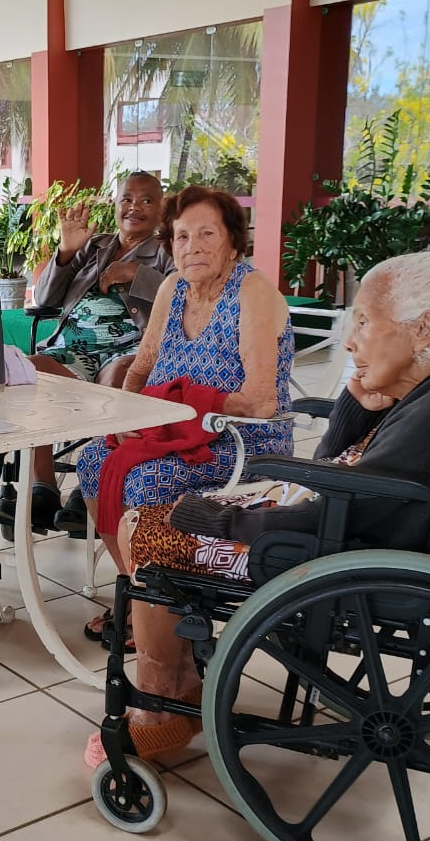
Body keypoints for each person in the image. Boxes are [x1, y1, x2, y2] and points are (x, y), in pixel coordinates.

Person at [84, 244, 430, 767]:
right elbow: (342, 468)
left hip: (320, 550)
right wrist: (357, 406)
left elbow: (345, 498)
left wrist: (214, 517)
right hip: (340, 529)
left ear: (423, 329)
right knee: (160, 511)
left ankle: (166, 696)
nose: (350, 340)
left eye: (363, 321)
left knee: (144, 525)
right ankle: (179, 678)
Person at [74, 185, 295, 644]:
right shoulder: (173, 288)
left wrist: (184, 403)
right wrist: (128, 417)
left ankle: (161, 611)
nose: (192, 246)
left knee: (145, 480)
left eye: (206, 234)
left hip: (243, 441)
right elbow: (140, 367)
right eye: (181, 237)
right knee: (93, 461)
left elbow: (260, 401)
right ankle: (146, 596)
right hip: (177, 432)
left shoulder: (252, 291)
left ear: (233, 240)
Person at [5, 171, 176, 531]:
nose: (135, 207)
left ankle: (91, 484)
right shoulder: (95, 245)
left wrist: (137, 273)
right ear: (115, 206)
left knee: (119, 378)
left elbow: (184, 298)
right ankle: (43, 485)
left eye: (147, 201)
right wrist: (66, 252)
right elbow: (46, 299)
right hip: (74, 347)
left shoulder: (167, 252)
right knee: (32, 370)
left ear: (161, 210)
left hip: (129, 347)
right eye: (128, 199)